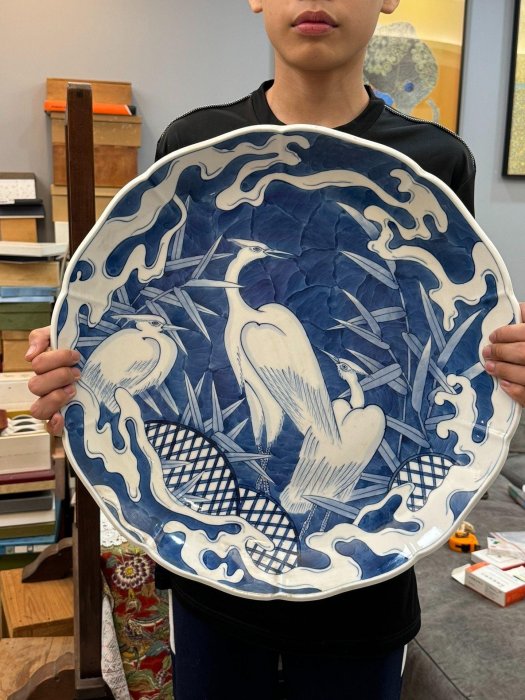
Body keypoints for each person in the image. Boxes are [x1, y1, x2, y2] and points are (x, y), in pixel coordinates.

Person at [26, 1, 525, 698]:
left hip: (367, 581)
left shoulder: (434, 162)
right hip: (210, 576)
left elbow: (453, 342)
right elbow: (142, 316)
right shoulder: (195, 146)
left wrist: (505, 367)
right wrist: (73, 363)